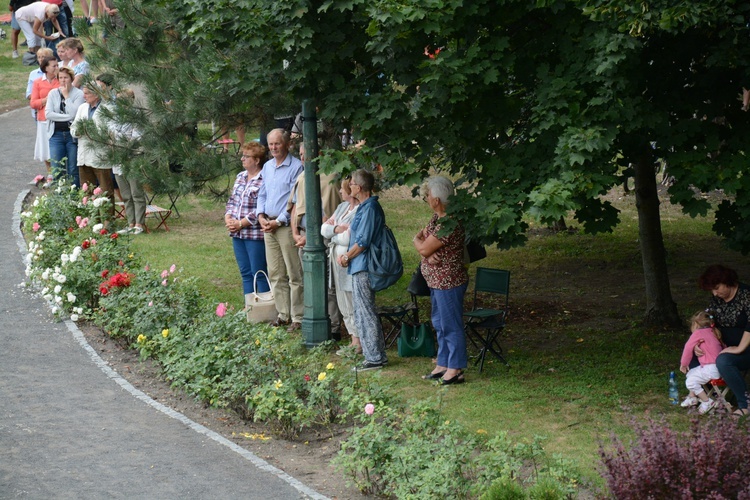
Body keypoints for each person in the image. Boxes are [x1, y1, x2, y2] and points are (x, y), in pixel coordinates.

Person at [413, 175, 469, 385]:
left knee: (450, 325)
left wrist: (423, 248)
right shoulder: (437, 219)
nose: (426, 198)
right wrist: (423, 249)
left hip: (449, 282)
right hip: (436, 282)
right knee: (439, 323)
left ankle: (455, 369)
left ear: (436, 199)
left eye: (427, 195)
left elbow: (424, 244)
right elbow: (420, 239)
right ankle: (443, 363)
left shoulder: (450, 223)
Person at [288, 142, 343, 338]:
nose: (303, 157)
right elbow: (295, 207)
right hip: (303, 235)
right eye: (301, 154)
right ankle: (312, 319)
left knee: (328, 284)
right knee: (308, 280)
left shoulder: (331, 177)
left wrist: (312, 235)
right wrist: (296, 233)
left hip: (324, 236)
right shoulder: (302, 177)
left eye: (307, 154)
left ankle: (333, 326)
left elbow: (331, 212)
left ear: (318, 154)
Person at [337, 169, 388, 371]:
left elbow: (363, 241)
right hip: (359, 265)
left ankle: (374, 357)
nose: (350, 186)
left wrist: (347, 256)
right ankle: (376, 355)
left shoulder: (369, 209)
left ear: (359, 187)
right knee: (362, 310)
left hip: (364, 266)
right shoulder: (367, 207)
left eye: (352, 184)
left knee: (365, 311)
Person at [256, 129, 304, 332]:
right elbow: (262, 194)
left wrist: (280, 221)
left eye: (277, 144)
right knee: (275, 272)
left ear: (286, 145)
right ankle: (283, 314)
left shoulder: (296, 167)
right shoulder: (267, 167)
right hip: (268, 225)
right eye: (271, 144)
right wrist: (260, 216)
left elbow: (295, 199)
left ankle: (298, 317)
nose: (273, 148)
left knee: (294, 273)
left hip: (285, 225)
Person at [698, 264, 750, 417]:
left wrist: (739, 348)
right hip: (725, 346)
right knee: (696, 353)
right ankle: (705, 398)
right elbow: (709, 322)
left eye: (717, 288)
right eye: (712, 290)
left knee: (724, 361)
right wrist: (699, 343)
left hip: (746, 348)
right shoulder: (717, 300)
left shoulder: (746, 294)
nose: (715, 293)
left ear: (727, 281)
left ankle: (745, 404)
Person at [225, 142, 270, 298]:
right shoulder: (240, 176)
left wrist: (241, 223)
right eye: (242, 155)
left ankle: (264, 305)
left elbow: (261, 207)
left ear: (257, 160)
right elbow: (233, 201)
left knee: (258, 271)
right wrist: (229, 217)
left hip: (254, 234)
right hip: (237, 234)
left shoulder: (264, 178)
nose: (242, 159)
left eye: (246, 156)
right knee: (245, 272)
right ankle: (250, 306)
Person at [321, 176, 360, 354]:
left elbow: (349, 238)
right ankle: (353, 338)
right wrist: (337, 229)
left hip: (348, 261)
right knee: (341, 297)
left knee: (351, 297)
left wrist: (333, 233)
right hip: (336, 258)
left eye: (343, 189)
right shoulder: (342, 207)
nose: (340, 191)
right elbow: (324, 229)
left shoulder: (359, 210)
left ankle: (358, 340)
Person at [72, 84, 115, 219]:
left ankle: (108, 221)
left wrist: (91, 131)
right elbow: (73, 127)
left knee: (105, 189)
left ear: (96, 94)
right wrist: (78, 131)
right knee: (87, 190)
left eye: (87, 93)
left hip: (100, 154)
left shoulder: (107, 109)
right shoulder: (82, 108)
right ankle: (91, 220)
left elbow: (110, 130)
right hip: (84, 154)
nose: (83, 96)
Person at [110, 89, 147, 235]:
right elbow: (111, 132)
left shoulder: (137, 115)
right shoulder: (114, 115)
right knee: (125, 193)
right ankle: (130, 222)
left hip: (133, 156)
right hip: (118, 156)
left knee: (136, 191)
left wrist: (123, 141)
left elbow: (137, 135)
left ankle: (139, 223)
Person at [679, 310, 723, 414]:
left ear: (696, 324)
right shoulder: (713, 331)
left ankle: (707, 401)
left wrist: (684, 364)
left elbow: (687, 347)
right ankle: (692, 397)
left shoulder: (698, 333)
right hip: (718, 367)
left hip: (710, 368)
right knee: (691, 373)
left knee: (690, 382)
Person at [45, 66, 83, 186]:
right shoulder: (53, 93)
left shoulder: (78, 94)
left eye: (65, 77)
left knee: (73, 169)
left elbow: (75, 113)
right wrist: (68, 117)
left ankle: (74, 196)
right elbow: (48, 114)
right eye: (60, 78)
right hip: (56, 135)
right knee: (57, 168)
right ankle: (59, 197)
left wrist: (67, 96)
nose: (63, 80)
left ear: (71, 78)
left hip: (72, 135)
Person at [30, 56, 59, 181]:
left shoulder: (61, 80)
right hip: (43, 119)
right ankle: (50, 174)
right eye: (54, 66)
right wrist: (46, 100)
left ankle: (61, 174)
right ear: (46, 68)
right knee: (45, 148)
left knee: (57, 147)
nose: (57, 68)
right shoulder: (38, 82)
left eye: (57, 65)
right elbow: (33, 103)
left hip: (58, 118)